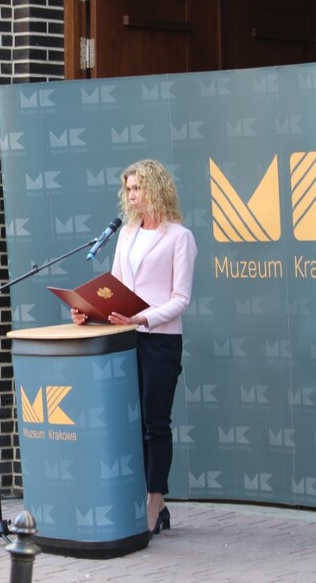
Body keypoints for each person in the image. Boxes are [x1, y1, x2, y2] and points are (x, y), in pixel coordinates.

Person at [71, 159, 197, 536]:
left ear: (156, 188)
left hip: (160, 341)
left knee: (155, 424)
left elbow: (181, 299)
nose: (132, 195)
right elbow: (116, 291)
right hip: (127, 340)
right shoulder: (126, 234)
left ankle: (155, 503)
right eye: (128, 189)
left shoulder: (179, 237)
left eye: (138, 187)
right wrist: (90, 313)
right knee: (132, 424)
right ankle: (143, 498)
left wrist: (142, 319)